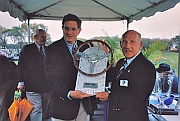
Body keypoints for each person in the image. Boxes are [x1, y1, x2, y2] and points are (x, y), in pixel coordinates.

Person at [45, 13, 97, 121]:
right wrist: (69, 93)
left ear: (79, 30)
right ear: (62, 28)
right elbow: (50, 78)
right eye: (66, 28)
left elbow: (94, 70)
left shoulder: (86, 47)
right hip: (62, 106)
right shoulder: (52, 49)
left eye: (73, 29)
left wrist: (102, 58)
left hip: (84, 106)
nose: (69, 32)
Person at [96, 30, 156, 121]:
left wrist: (110, 96)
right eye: (125, 42)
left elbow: (138, 96)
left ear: (140, 44)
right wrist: (104, 58)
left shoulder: (147, 67)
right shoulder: (121, 62)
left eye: (132, 42)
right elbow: (108, 77)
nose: (127, 46)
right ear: (121, 44)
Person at [17, 29, 51, 121]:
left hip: (47, 86)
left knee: (46, 109)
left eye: (45, 37)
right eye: (42, 37)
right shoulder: (27, 49)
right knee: (36, 109)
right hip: (32, 86)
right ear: (35, 37)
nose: (44, 39)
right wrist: (21, 82)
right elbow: (21, 66)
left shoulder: (48, 50)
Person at [0, 53, 18, 121]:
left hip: (5, 79)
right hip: (12, 78)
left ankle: (3, 118)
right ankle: (8, 116)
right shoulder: (3, 58)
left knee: (3, 101)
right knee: (7, 99)